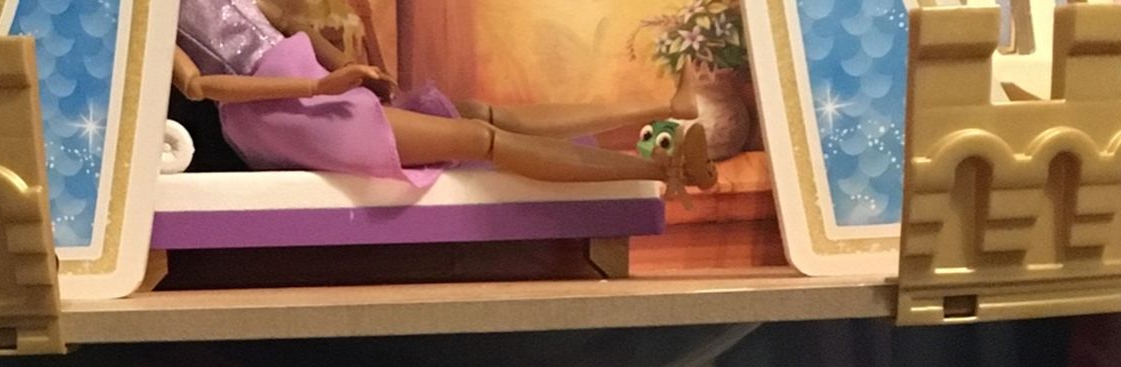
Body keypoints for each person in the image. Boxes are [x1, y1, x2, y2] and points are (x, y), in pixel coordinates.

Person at [173, 0, 716, 193]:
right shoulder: (153, 13)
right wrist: (318, 85)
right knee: (479, 137)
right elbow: (197, 86)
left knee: (481, 113)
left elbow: (292, 27)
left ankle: (668, 108)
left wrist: (351, 71)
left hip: (316, 87)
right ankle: (661, 171)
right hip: (280, 113)